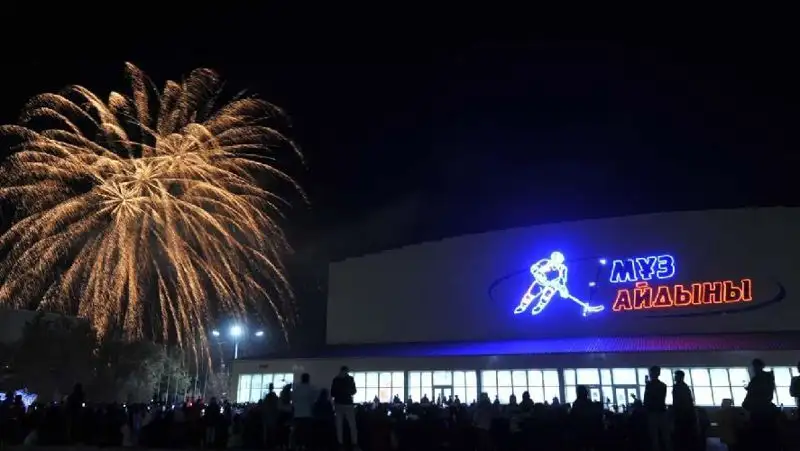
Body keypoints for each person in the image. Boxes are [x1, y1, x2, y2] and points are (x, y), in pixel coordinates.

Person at [514, 251, 604, 316]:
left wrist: (563, 289)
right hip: (540, 282)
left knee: (546, 296)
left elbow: (562, 280)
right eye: (555, 261)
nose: (556, 264)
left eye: (558, 261)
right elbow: (533, 268)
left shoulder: (563, 268)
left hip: (552, 285)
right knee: (530, 295)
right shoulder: (545, 262)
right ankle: (522, 306)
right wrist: (538, 273)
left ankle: (539, 307)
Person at [331, 366, 359, 449]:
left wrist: (339, 392)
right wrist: (347, 391)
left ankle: (340, 443)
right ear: (347, 371)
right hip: (348, 403)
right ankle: (354, 443)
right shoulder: (350, 379)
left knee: (339, 425)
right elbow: (354, 391)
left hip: (338, 403)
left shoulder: (336, 379)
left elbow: (332, 393)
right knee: (352, 425)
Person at [643, 366, 670, 451]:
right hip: (662, 411)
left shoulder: (649, 385)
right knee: (665, 435)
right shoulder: (663, 385)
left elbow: (647, 399)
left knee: (654, 436)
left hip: (652, 412)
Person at [671, 370, 697, 451]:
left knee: (681, 434)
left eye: (676, 376)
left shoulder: (678, 387)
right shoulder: (685, 387)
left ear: (680, 377)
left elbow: (678, 401)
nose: (675, 377)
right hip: (685, 413)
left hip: (681, 414)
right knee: (686, 435)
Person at [293, 373, 318, 451]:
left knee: (298, 432)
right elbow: (313, 401)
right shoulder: (311, 388)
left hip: (297, 414)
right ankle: (305, 446)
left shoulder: (296, 388)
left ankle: (298, 446)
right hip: (308, 413)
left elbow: (293, 400)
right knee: (307, 432)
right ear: (308, 379)